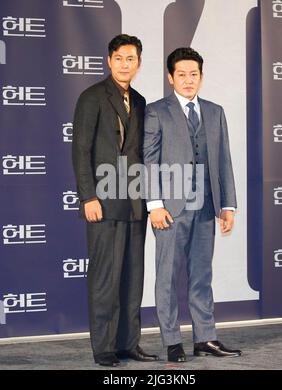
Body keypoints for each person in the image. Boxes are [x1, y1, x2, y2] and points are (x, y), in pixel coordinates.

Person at [143, 47, 242, 362]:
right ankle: (172, 342)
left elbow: (223, 161)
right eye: (181, 74)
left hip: (206, 207)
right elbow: (148, 162)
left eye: (194, 74)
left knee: (202, 275)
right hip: (170, 210)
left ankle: (206, 338)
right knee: (167, 278)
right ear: (170, 77)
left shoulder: (215, 112)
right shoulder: (157, 111)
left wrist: (227, 205)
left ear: (201, 76)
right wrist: (154, 204)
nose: (188, 80)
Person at [72, 34, 158, 367]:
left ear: (138, 63)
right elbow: (81, 150)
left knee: (132, 278)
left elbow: (140, 155)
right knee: (105, 277)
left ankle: (128, 343)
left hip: (135, 205)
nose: (125, 64)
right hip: (103, 203)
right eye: (119, 58)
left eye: (131, 58)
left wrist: (151, 201)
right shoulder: (91, 97)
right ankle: (104, 347)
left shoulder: (139, 100)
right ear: (109, 60)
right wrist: (88, 196)